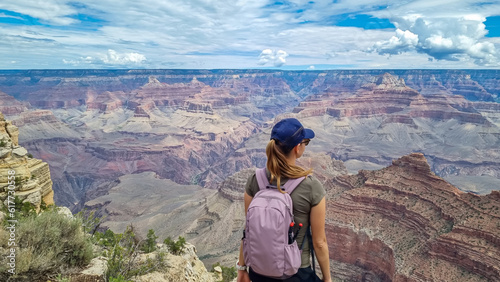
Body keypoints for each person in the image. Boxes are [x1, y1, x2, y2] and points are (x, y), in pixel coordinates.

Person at [237, 118, 332, 282]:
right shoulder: (311, 186)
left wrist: (242, 269)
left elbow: (248, 230)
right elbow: (320, 242)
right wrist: (327, 278)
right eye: (305, 142)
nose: (305, 146)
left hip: (259, 272)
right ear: (297, 148)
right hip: (296, 273)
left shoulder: (255, 179)